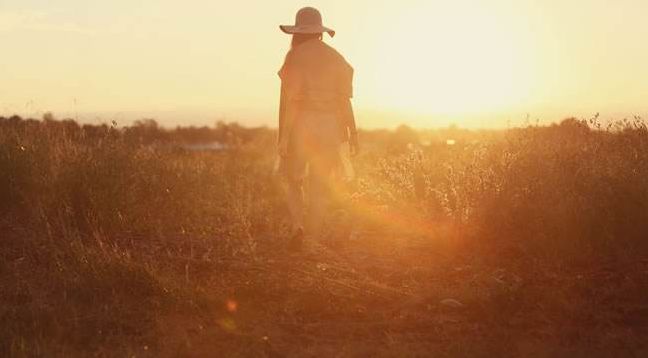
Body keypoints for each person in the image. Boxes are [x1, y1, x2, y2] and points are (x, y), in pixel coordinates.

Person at [277, 7, 359, 250]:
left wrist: (283, 138)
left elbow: (293, 103)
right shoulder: (337, 58)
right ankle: (312, 238)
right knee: (319, 185)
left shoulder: (295, 57)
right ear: (320, 31)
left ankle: (298, 226)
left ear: (298, 31)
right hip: (331, 128)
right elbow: (345, 102)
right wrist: (353, 135)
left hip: (302, 127)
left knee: (293, 180)